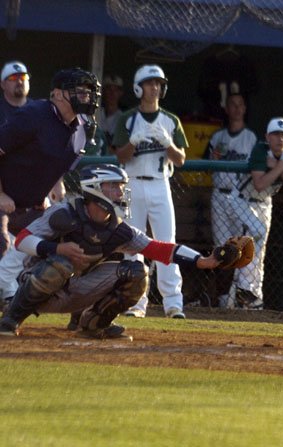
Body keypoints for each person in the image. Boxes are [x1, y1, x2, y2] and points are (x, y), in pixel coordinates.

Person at [0, 164, 242, 339]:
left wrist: (204, 261)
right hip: (39, 287)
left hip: (79, 290)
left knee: (138, 272)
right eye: (113, 186)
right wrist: (57, 248)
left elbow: (157, 248)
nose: (120, 192)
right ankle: (11, 319)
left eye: (121, 186)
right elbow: (22, 239)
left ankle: (93, 324)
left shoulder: (118, 229)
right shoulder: (65, 213)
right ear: (94, 188)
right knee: (60, 264)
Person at [0, 67, 100, 302]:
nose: (85, 96)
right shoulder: (34, 114)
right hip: (6, 196)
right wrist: (1, 193)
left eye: (88, 91)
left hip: (33, 203)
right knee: (3, 242)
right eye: (78, 91)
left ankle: (77, 307)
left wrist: (55, 187)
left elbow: (59, 162)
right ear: (57, 94)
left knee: (71, 238)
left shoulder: (84, 127)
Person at [112, 64, 188, 319]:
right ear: (138, 87)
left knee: (166, 241)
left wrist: (167, 144)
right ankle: (135, 302)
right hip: (132, 182)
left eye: (158, 83)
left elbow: (181, 160)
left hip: (159, 183)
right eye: (149, 83)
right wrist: (134, 141)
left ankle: (173, 303)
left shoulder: (170, 120)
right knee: (133, 243)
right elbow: (119, 155)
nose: (154, 87)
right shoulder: (128, 119)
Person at [235, 117, 283, 309]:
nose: (280, 139)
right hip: (242, 199)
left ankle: (252, 295)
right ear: (267, 136)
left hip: (266, 204)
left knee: (260, 248)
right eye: (276, 134)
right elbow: (259, 184)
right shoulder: (260, 149)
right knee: (253, 236)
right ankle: (243, 288)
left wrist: (280, 168)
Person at [203, 91, 257, 308]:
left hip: (240, 197)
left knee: (242, 246)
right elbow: (207, 166)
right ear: (226, 108)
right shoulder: (218, 137)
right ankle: (224, 296)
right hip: (219, 194)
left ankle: (240, 296)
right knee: (222, 246)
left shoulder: (251, 138)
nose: (236, 108)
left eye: (240, 104)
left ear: (244, 109)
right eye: (232, 104)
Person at [0, 61, 32, 261]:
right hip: (3, 190)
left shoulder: (39, 111)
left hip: (31, 193)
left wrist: (56, 183)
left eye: (23, 78)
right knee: (2, 243)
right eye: (13, 79)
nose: (19, 82)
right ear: (3, 84)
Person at [96, 74, 125, 148]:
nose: (112, 93)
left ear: (120, 93)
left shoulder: (124, 118)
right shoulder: (96, 113)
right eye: (109, 89)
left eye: (116, 90)